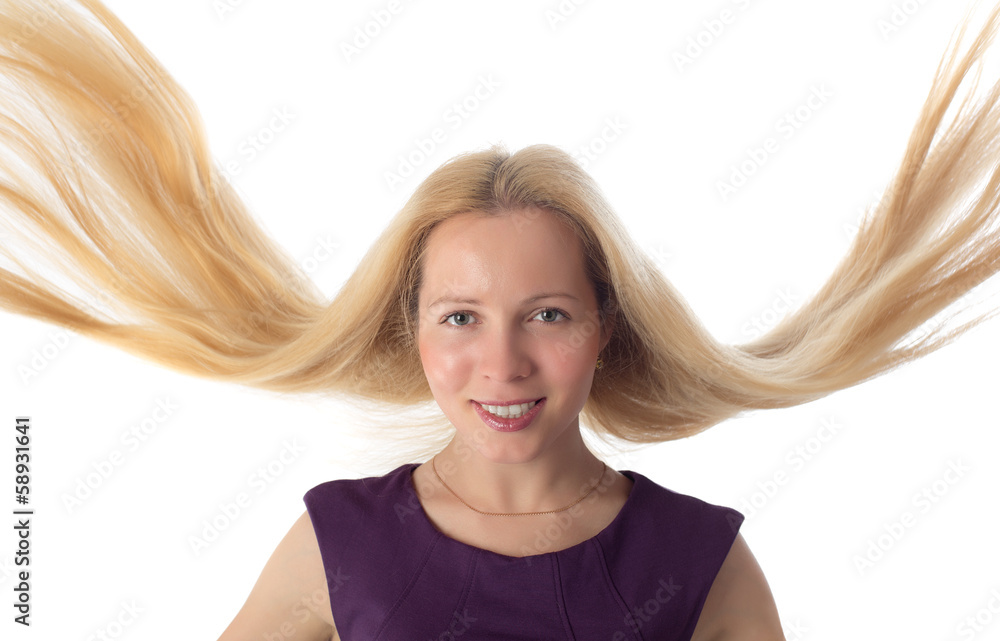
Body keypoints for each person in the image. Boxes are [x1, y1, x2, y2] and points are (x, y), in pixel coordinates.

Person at [2, 1, 1000, 639]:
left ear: (606, 324)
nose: (501, 362)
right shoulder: (336, 540)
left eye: (548, 313)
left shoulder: (698, 563)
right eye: (461, 317)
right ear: (412, 330)